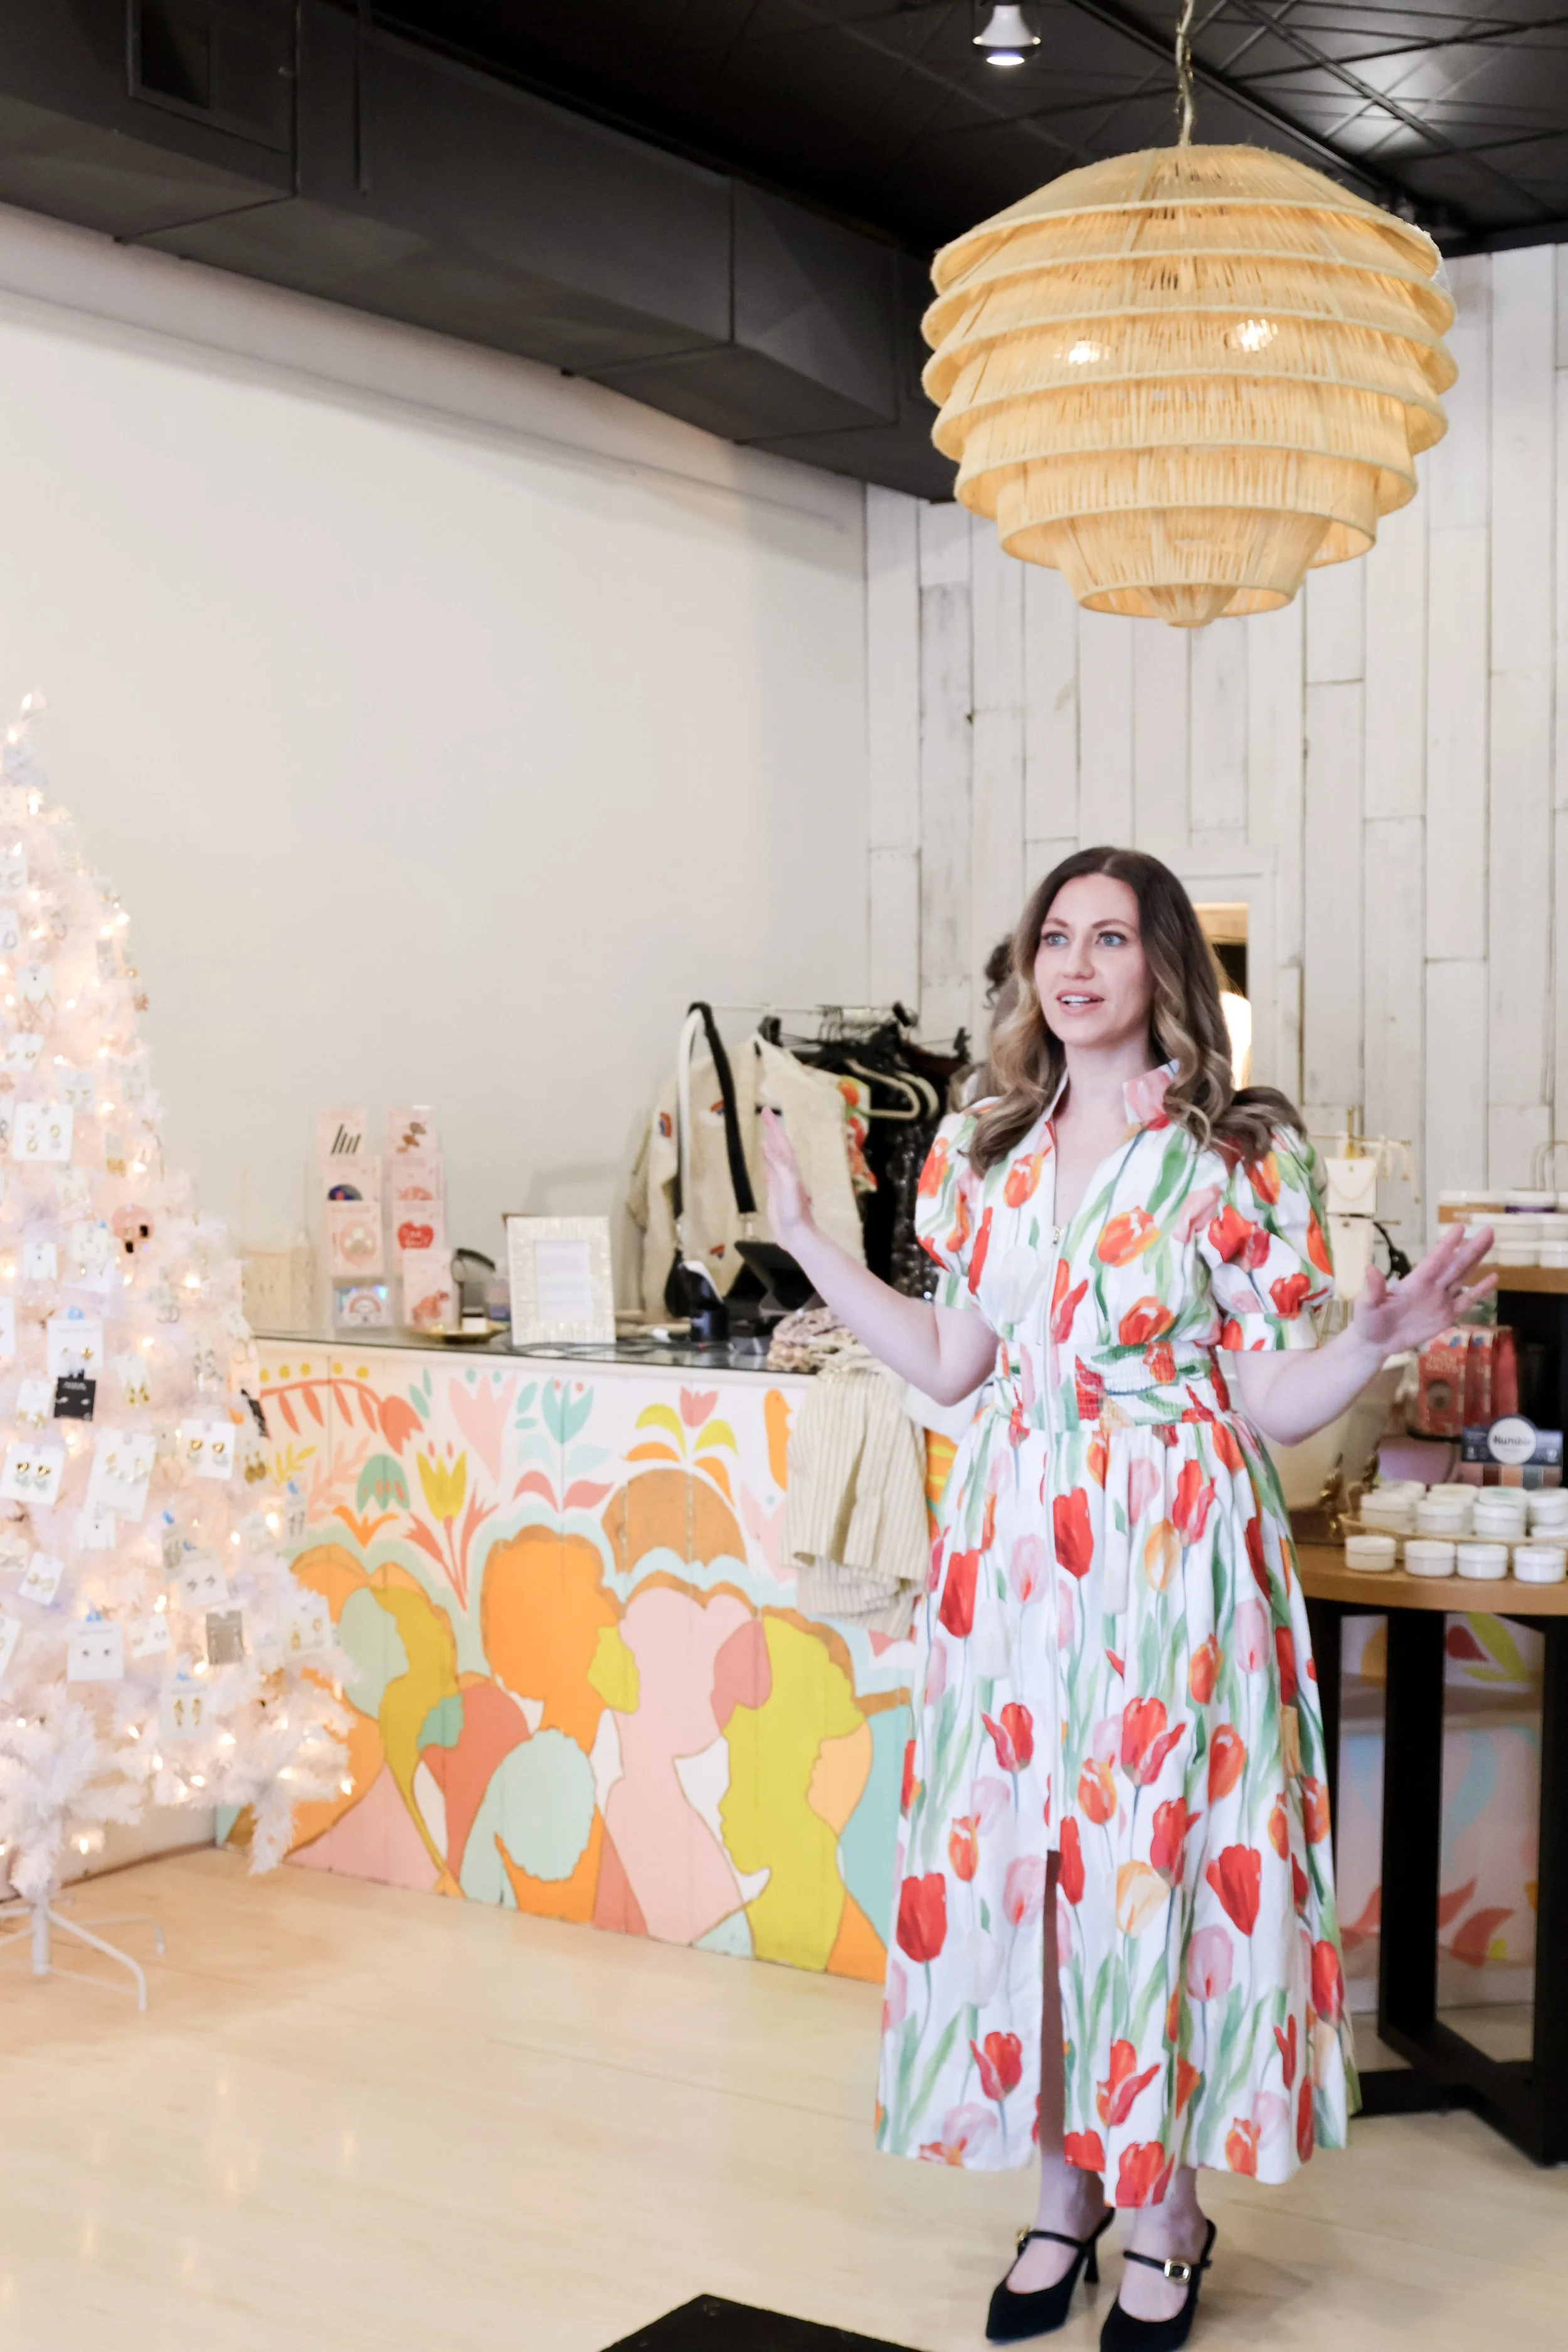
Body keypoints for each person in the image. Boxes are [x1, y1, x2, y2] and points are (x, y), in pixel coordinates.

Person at [759, 846, 1493, 2351]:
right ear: (1028, 967)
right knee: (1023, 1868)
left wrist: (1374, 1340)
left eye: (1108, 936)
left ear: (1165, 963)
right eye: (1052, 937)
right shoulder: (986, 1147)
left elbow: (1273, 1403)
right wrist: (809, 1249)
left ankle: (1163, 2208)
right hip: (1013, 1554)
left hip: (1174, 1553)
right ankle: (1061, 2187)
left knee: (1146, 1869)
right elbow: (956, 1363)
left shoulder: (1234, 1152)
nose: (1074, 963)